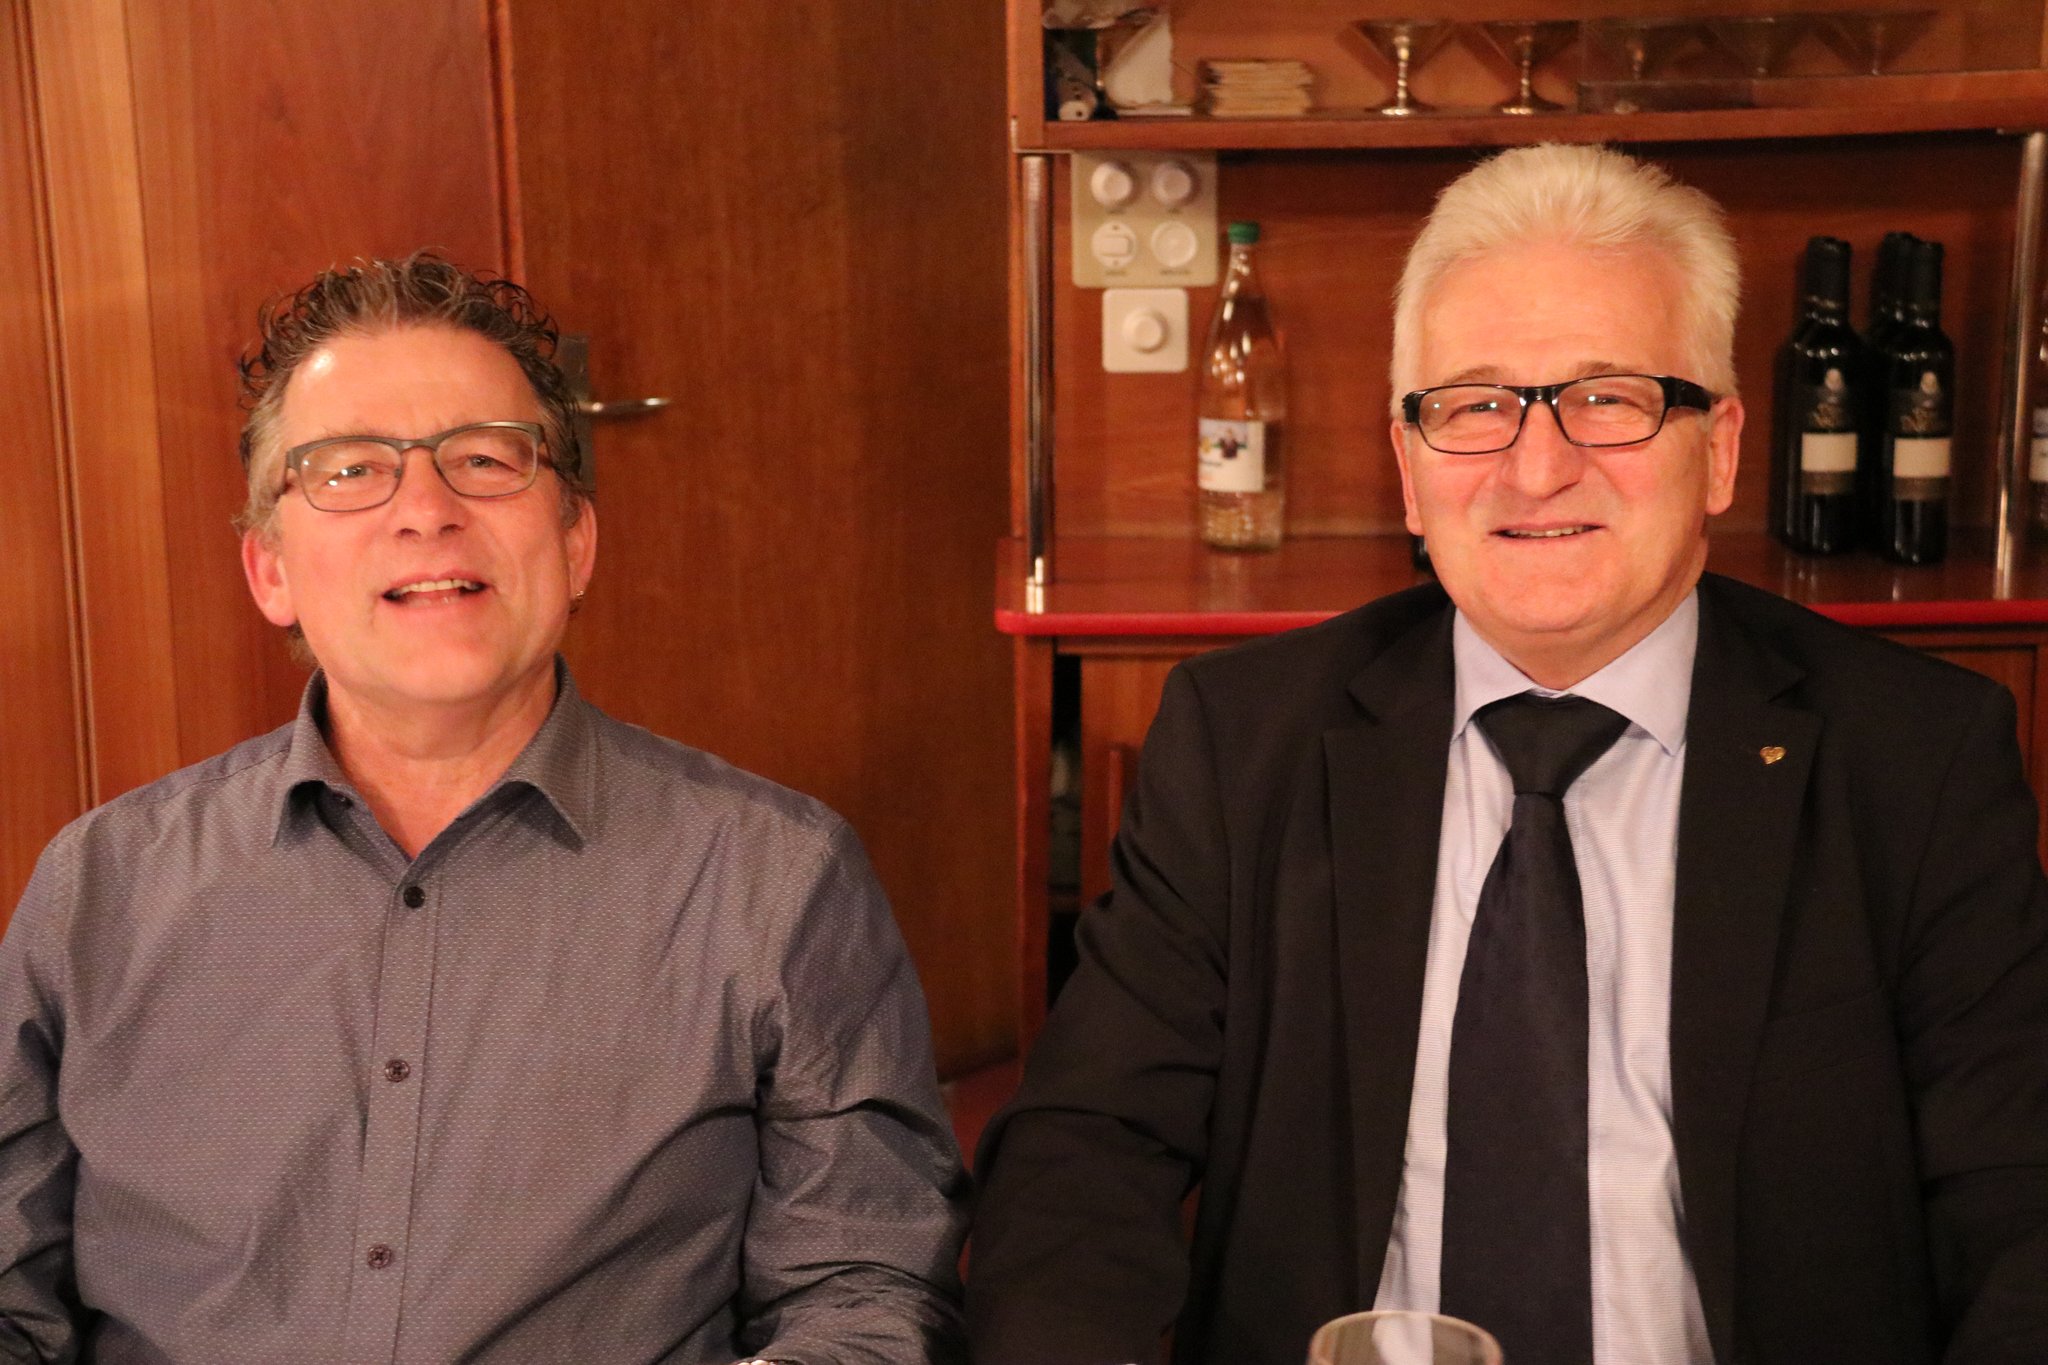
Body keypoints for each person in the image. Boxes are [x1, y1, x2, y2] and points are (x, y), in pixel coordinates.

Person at [967, 144, 2048, 1365]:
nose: (1536, 468)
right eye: (1474, 407)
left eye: (1609, 398)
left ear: (1719, 450)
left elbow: (2020, 1199)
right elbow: (1082, 1151)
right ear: (1408, 470)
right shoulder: (1241, 741)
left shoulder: (1912, 757)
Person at [0, 254, 967, 1364]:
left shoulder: (777, 879)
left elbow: (862, 1293)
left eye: (483, 459)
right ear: (270, 571)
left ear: (576, 542)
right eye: (350, 468)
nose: (426, 511)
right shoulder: (101, 886)